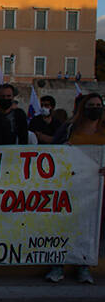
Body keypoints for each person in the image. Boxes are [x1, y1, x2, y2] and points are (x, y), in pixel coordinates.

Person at [45, 93, 105, 285]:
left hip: (97, 187)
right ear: (82, 108)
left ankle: (83, 266)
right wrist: (64, 148)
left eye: (98, 105)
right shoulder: (69, 128)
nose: (95, 108)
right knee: (65, 224)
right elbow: (53, 151)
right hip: (71, 185)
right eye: (91, 105)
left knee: (89, 227)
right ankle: (58, 264)